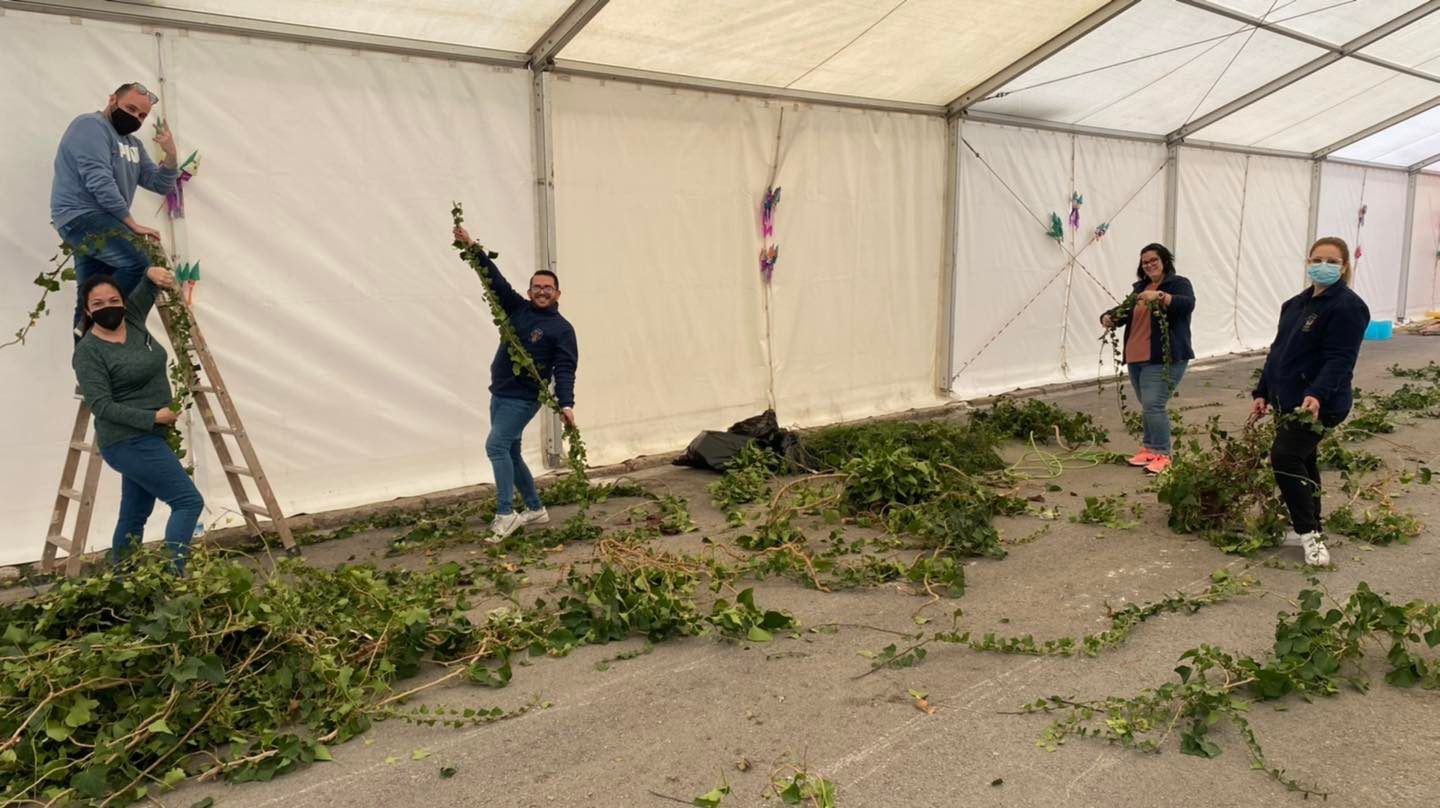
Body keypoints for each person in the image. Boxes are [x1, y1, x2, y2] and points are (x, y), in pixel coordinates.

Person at [453, 225, 579, 541]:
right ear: (529, 291)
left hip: (524, 398)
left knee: (495, 446)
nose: (541, 291)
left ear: (558, 294)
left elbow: (565, 369)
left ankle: (506, 513)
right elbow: (494, 280)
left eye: (547, 287)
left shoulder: (562, 330)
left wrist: (566, 404)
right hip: (500, 392)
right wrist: (472, 248)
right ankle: (535, 509)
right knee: (510, 450)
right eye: (536, 287)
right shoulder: (518, 309)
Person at [73, 267, 203, 572]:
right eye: (98, 304)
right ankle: (173, 578)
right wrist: (152, 416)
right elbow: (101, 406)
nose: (108, 308)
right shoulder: (88, 352)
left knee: (134, 514)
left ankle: (124, 582)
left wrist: (151, 272)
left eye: (113, 300)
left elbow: (148, 282)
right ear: (87, 310)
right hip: (127, 441)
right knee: (187, 502)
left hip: (150, 435)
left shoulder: (130, 317)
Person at [1251, 237, 1369, 566]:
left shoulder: (1347, 306)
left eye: (1331, 261)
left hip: (1321, 403)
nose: (1323, 266)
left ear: (1344, 266)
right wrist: (1262, 391)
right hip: (1287, 401)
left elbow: (1340, 359)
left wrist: (1317, 392)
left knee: (1285, 456)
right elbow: (1277, 354)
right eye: (1317, 259)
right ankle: (1312, 525)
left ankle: (1309, 534)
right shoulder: (1295, 305)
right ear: (1308, 263)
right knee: (1303, 459)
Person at [51, 82, 180, 337]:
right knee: (138, 263)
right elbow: (99, 181)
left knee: (89, 289)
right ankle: (96, 327)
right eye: (130, 108)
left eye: (141, 115)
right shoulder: (90, 126)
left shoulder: (133, 144)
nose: (135, 117)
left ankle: (85, 349)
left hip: (107, 222)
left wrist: (171, 154)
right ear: (112, 100)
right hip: (81, 216)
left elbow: (159, 183)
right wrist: (131, 223)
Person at [1100, 243, 1196, 474]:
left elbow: (1187, 304)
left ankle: (1163, 453)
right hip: (1137, 357)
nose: (1150, 265)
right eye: (1145, 262)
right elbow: (1123, 312)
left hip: (1164, 358)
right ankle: (1150, 449)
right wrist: (1107, 317)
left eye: (1154, 260)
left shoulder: (1178, 284)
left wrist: (1161, 296)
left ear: (1164, 261)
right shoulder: (1140, 289)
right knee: (1148, 406)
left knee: (1154, 405)